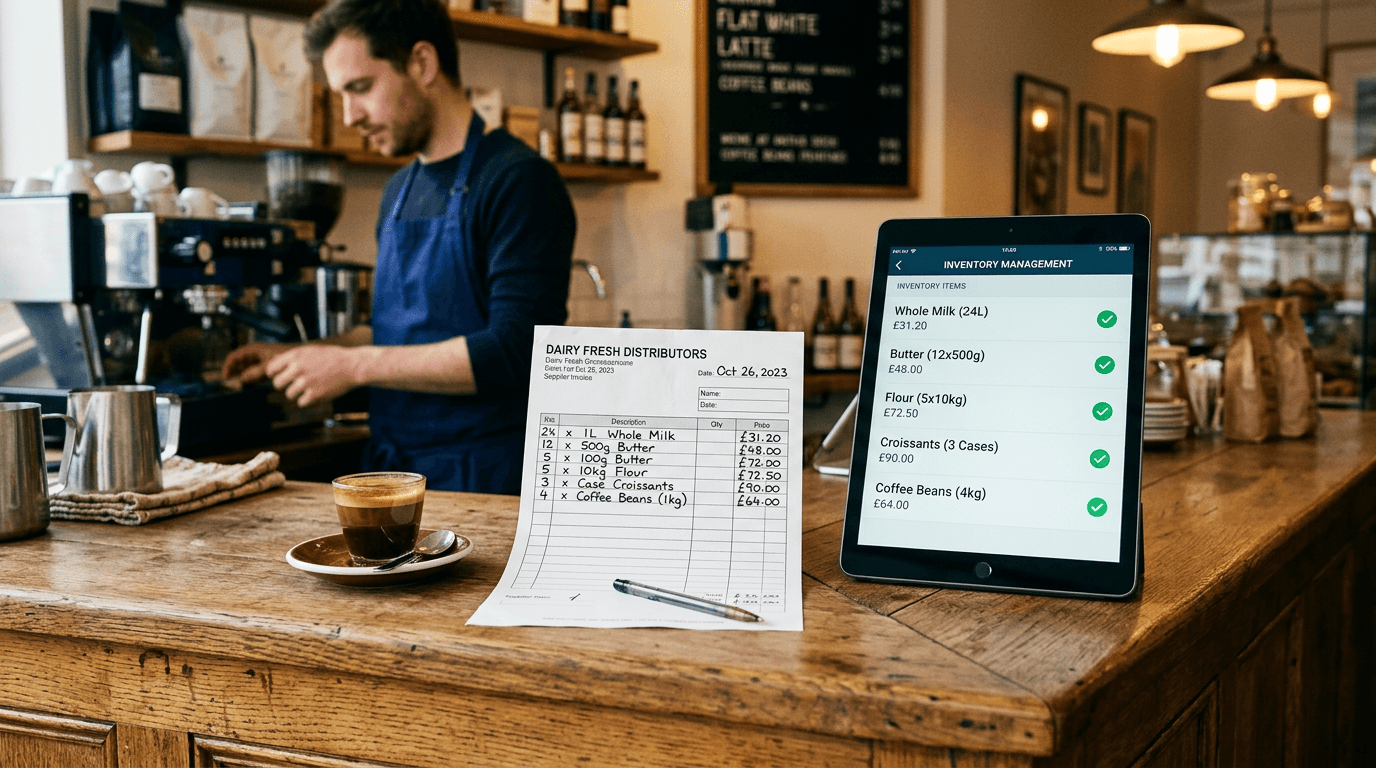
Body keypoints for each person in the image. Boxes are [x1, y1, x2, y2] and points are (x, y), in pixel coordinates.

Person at [221, 0, 576, 494]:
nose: (350, 116)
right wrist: (305, 355)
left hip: (489, 474)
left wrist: (352, 366)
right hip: (395, 470)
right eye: (341, 95)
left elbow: (516, 351)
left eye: (361, 88)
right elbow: (396, 329)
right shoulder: (399, 190)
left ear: (422, 63)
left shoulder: (519, 180)